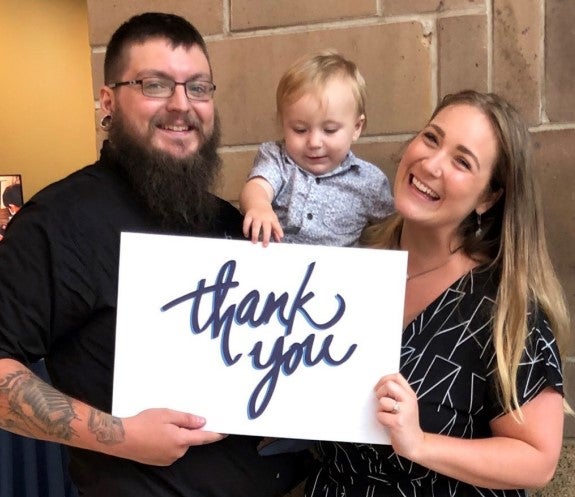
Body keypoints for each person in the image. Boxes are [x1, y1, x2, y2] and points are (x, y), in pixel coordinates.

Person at [0, 12, 311, 497]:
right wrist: (123, 436)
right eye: (155, 85)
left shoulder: (230, 222)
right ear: (108, 102)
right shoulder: (59, 222)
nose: (181, 105)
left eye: (199, 88)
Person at [305, 90, 571, 496]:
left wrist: (420, 443)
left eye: (462, 161)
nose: (431, 164)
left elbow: (537, 459)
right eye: (431, 138)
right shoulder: (350, 270)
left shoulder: (505, 307)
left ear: (488, 197)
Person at [239, 50, 393, 247]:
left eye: (329, 130)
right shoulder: (278, 159)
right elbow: (258, 186)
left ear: (356, 128)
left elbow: (392, 226)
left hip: (333, 274)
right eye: (300, 129)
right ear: (284, 124)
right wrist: (259, 206)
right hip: (274, 268)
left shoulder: (369, 181)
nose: (314, 142)